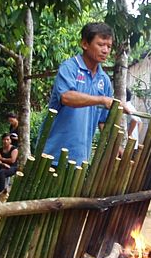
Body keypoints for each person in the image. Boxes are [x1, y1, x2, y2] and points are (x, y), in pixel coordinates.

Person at [40, 22, 131, 165]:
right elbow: (66, 97)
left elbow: (102, 121)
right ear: (84, 44)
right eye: (101, 44)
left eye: (109, 46)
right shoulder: (69, 68)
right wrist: (102, 100)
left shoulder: (104, 80)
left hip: (80, 157)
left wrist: (115, 147)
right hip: (53, 156)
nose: (105, 50)